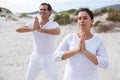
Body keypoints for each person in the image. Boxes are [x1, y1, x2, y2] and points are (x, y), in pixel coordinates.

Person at [54, 8, 109, 80]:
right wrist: (76, 50)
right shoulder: (70, 37)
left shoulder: (98, 41)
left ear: (92, 21)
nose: (82, 21)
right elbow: (55, 56)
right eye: (79, 18)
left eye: (85, 18)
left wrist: (85, 51)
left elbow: (105, 64)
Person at [16, 3, 60, 80]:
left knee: (54, 78)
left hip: (49, 58)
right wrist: (34, 29)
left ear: (49, 12)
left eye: (45, 9)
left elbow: (57, 32)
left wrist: (40, 30)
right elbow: (18, 29)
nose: (42, 11)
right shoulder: (34, 24)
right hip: (35, 58)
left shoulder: (53, 24)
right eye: (41, 9)